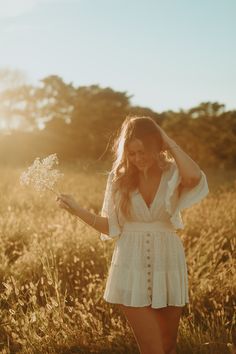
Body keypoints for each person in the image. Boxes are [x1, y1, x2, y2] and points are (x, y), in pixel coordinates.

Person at [56, 116, 209, 354]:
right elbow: (111, 227)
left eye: (143, 151)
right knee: (152, 349)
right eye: (132, 153)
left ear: (157, 147)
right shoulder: (118, 179)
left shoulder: (172, 173)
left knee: (168, 347)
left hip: (167, 263)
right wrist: (77, 211)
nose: (138, 158)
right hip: (130, 265)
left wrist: (166, 139)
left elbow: (194, 178)